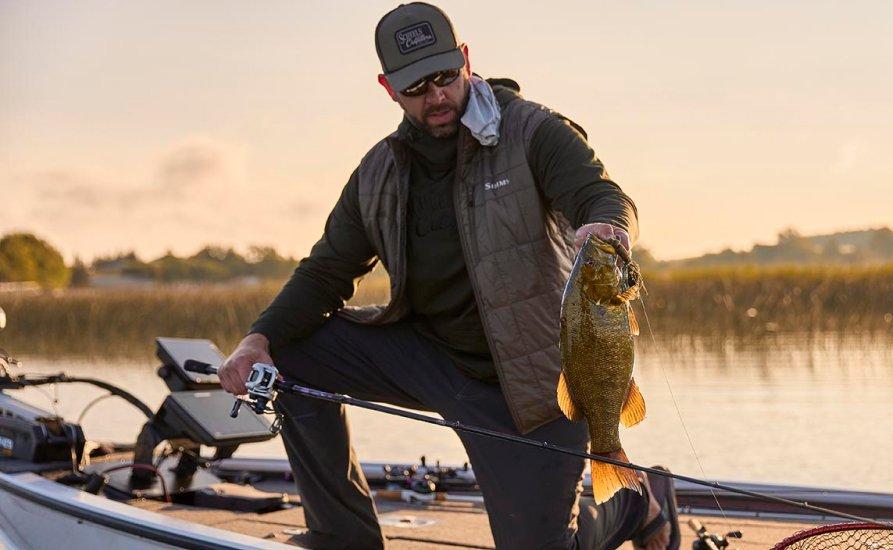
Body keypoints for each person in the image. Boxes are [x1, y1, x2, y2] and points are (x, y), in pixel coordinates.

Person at [219, 3, 678, 549]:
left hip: (535, 386)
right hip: (430, 360)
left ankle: (630, 502)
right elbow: (325, 272)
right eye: (416, 86)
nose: (436, 95)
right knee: (290, 353)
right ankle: (342, 537)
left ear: (465, 59)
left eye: (444, 76)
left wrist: (607, 227)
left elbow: (600, 193)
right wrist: (256, 340)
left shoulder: (533, 130)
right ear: (388, 88)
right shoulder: (378, 172)